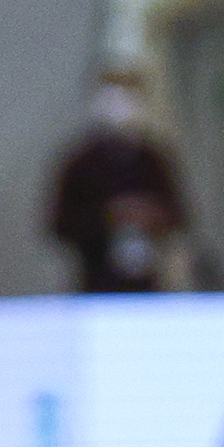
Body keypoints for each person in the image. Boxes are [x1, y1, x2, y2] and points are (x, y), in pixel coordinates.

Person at [46, 66, 188, 293]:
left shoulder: (153, 160)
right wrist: (108, 217)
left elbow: (180, 215)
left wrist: (151, 217)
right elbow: (59, 224)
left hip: (148, 284)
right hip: (94, 283)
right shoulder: (80, 162)